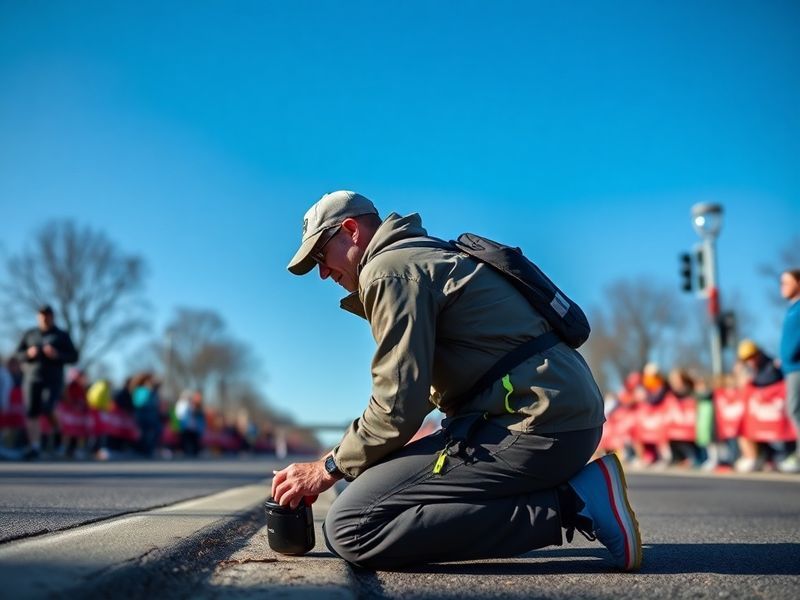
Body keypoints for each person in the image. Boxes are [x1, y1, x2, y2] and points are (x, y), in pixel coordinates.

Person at [271, 190, 642, 571]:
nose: (322, 272)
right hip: (554, 413)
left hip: (540, 423)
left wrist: (327, 467)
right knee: (370, 486)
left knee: (353, 525)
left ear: (350, 230)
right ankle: (572, 495)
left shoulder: (389, 271)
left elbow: (397, 406)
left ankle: (574, 504)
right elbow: (421, 391)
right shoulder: (420, 255)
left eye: (320, 255)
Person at [15, 305, 79, 460]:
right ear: (38, 316)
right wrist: (28, 354)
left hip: (53, 379)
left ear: (52, 316)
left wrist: (57, 355)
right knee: (32, 412)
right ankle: (35, 447)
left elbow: (74, 356)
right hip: (32, 378)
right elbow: (18, 354)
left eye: (47, 314)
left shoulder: (61, 335)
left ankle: (58, 434)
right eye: (42, 315)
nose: (44, 317)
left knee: (48, 406)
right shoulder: (30, 334)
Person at [778, 269, 800, 473]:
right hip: (789, 367)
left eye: (787, 282)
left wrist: (791, 355)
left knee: (795, 409)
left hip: (797, 367)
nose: (782, 286)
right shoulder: (791, 309)